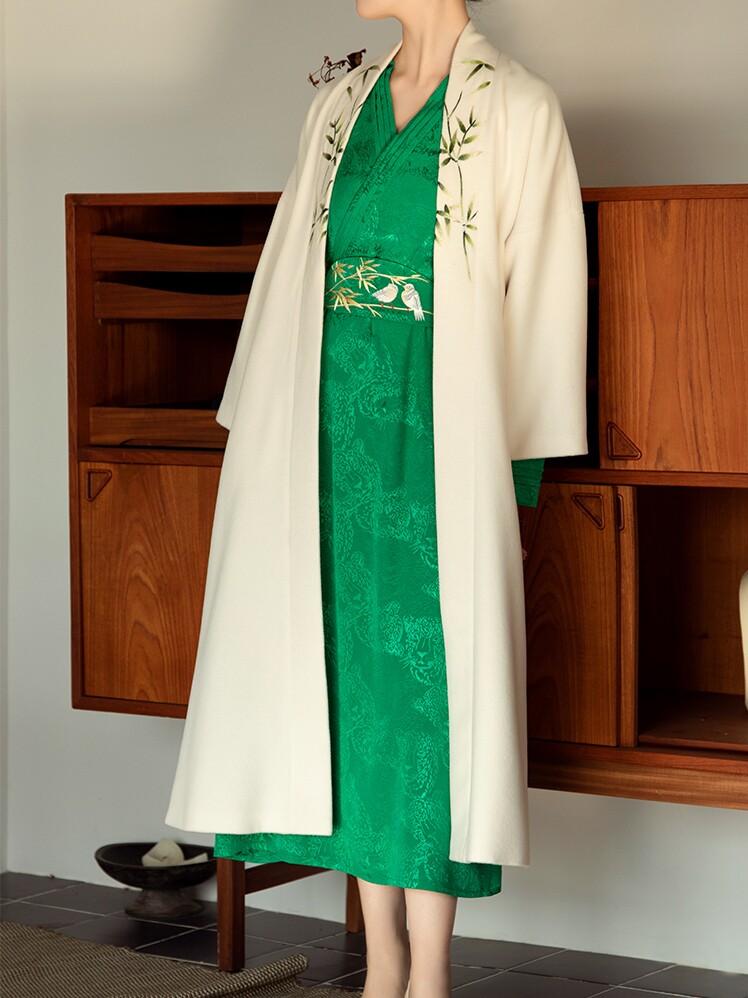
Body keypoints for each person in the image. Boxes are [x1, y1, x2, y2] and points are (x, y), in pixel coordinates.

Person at [165, 2, 588, 997]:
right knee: (344, 696)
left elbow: (543, 290)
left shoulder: (518, 107)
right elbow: (286, 274)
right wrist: (261, 428)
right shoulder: (339, 104)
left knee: (424, 704)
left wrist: (516, 467)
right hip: (324, 446)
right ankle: (382, 958)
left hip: (437, 447)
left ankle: (427, 967)